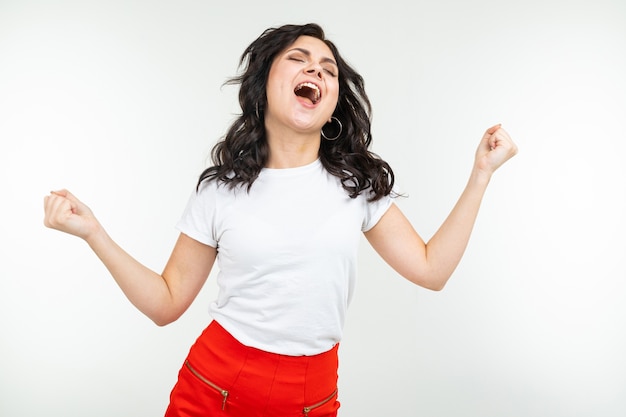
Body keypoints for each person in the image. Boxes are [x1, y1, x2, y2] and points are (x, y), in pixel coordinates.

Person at [43, 23, 517, 417]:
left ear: (333, 103)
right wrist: (93, 232)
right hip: (214, 387)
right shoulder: (220, 190)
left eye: (328, 68)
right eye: (298, 58)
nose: (316, 68)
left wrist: (480, 175)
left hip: (312, 398)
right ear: (264, 84)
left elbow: (432, 271)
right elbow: (166, 303)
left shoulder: (357, 186)